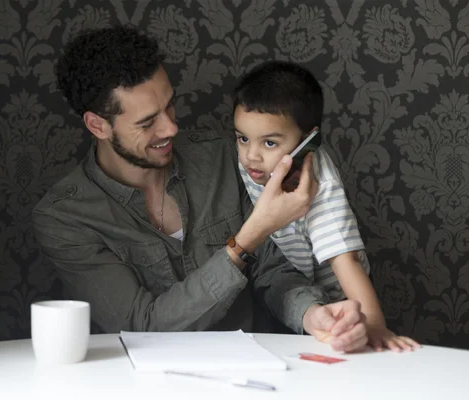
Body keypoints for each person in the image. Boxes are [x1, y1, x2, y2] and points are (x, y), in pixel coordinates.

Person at [31, 25, 368, 353]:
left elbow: (272, 271)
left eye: (170, 106)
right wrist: (246, 239)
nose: (171, 127)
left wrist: (311, 314)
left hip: (253, 375)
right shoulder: (65, 218)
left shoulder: (224, 157)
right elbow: (142, 326)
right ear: (98, 125)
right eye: (148, 122)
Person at [233, 60, 420, 352]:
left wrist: (374, 325)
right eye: (243, 138)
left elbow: (345, 262)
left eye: (269, 143)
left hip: (339, 294)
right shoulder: (250, 163)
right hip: (286, 290)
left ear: (309, 140)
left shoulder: (320, 184)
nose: (251, 156)